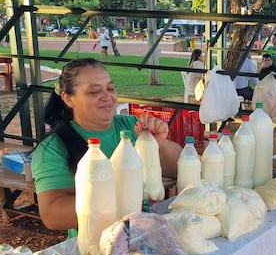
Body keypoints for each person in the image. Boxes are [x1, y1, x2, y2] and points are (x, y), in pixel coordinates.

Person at [31, 58, 182, 233]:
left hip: (146, 232)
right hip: (101, 242)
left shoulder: (131, 126)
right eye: (94, 91)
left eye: (110, 88)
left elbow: (177, 168)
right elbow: (52, 216)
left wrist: (158, 145)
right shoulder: (54, 148)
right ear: (68, 99)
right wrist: (119, 192)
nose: (107, 97)